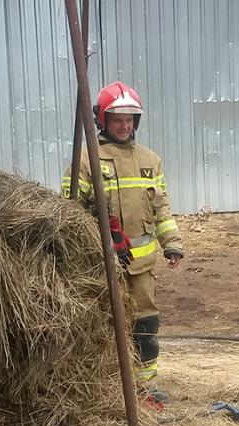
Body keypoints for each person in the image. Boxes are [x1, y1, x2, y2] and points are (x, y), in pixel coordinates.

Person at [66, 81, 185, 396]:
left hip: (141, 267)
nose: (124, 126)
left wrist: (172, 244)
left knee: (145, 324)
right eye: (117, 119)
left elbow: (161, 208)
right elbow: (69, 214)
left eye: (129, 119)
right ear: (102, 120)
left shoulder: (150, 160)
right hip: (100, 265)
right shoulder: (86, 161)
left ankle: (146, 387)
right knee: (103, 325)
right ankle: (105, 390)